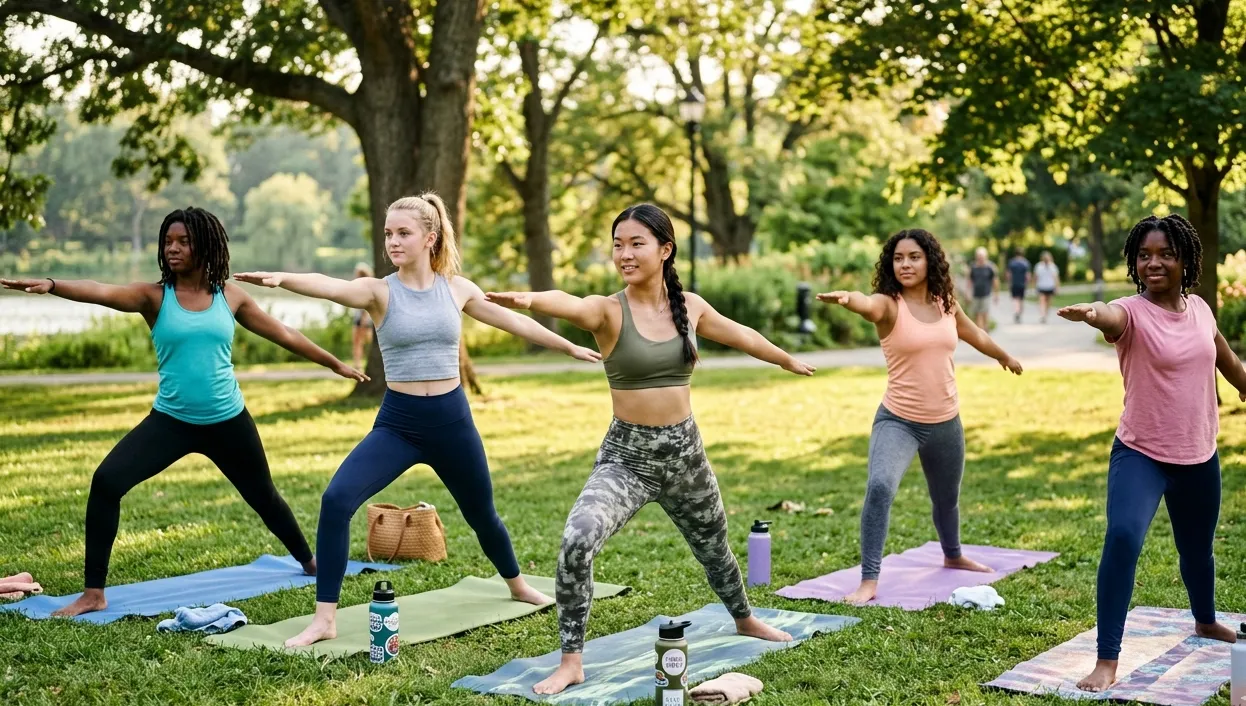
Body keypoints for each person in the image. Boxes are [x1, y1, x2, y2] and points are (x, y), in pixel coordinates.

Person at [234, 193, 601, 647]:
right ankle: (324, 617)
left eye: (403, 233)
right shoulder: (379, 291)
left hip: (452, 421)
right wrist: (282, 279)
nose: (393, 241)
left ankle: (517, 584)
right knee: (335, 500)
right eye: (388, 233)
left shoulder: (457, 288)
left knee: (481, 513)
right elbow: (328, 286)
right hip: (399, 424)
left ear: (430, 237)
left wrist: (567, 346)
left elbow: (512, 322)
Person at [485, 204, 815, 695]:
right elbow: (567, 302)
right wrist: (528, 299)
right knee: (578, 539)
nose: (624, 253)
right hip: (627, 459)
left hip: (686, 455)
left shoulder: (691, 307)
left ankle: (744, 619)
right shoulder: (608, 310)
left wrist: (786, 358)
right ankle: (571, 660)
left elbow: (741, 334)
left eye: (636, 243)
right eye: (618, 244)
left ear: (665, 249)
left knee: (715, 548)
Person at [0, 207, 367, 618]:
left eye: (183, 241)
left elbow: (284, 333)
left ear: (205, 246)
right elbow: (99, 290)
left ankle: (309, 562)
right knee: (106, 482)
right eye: (168, 241)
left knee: (264, 496)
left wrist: (334, 363)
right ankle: (93, 593)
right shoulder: (154, 298)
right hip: (171, 421)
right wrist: (52, 284)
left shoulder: (230, 296)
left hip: (228, 420)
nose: (172, 249)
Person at [1057, 214, 1243, 693]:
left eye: (1165, 254)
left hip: (1199, 455)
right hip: (1141, 454)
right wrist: (1093, 314)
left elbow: (1223, 356)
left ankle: (1205, 621)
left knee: (1197, 552)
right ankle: (1107, 660)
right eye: (1144, 255)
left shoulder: (1200, 308)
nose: (1153, 263)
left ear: (1186, 260)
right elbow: (1111, 314)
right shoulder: (1131, 312)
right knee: (1122, 537)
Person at [817, 229, 1022, 605]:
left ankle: (953, 553)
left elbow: (974, 332)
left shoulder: (945, 303)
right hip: (899, 421)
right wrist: (849, 300)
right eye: (898, 258)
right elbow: (868, 304)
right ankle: (869, 580)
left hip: (946, 421)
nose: (905, 264)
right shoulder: (889, 305)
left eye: (913, 256)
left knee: (947, 498)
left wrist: (1003, 355)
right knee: (880, 486)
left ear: (930, 260)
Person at [350, 262, 374, 369]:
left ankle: (358, 364)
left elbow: (365, 306)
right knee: (358, 342)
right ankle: (358, 363)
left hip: (362, 319)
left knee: (359, 342)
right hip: (361, 319)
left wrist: (364, 319)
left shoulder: (364, 287)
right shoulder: (362, 286)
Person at [966, 247, 997, 330]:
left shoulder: (990, 267)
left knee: (984, 313)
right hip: (976, 294)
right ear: (976, 256)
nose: (980, 258)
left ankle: (985, 330)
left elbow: (995, 281)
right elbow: (969, 280)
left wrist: (996, 294)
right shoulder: (973, 267)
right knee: (977, 314)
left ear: (986, 256)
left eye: (982, 256)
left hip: (986, 294)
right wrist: (968, 293)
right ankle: (981, 332)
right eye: (979, 256)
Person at [1007, 248, 1032, 323]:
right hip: (1022, 284)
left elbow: (1009, 274)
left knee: (1015, 299)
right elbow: (1028, 275)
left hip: (1014, 283)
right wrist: (1028, 283)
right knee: (1021, 300)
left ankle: (1016, 311)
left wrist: (1009, 283)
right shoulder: (1025, 263)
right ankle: (1019, 313)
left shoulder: (1012, 262)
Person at [1034, 251, 1059, 323]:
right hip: (1041, 286)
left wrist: (1056, 287)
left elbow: (1055, 278)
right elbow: (1036, 277)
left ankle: (1045, 314)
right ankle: (1043, 315)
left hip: (1050, 287)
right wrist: (1034, 285)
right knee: (1042, 302)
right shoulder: (1039, 266)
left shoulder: (1052, 266)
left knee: (1048, 302)